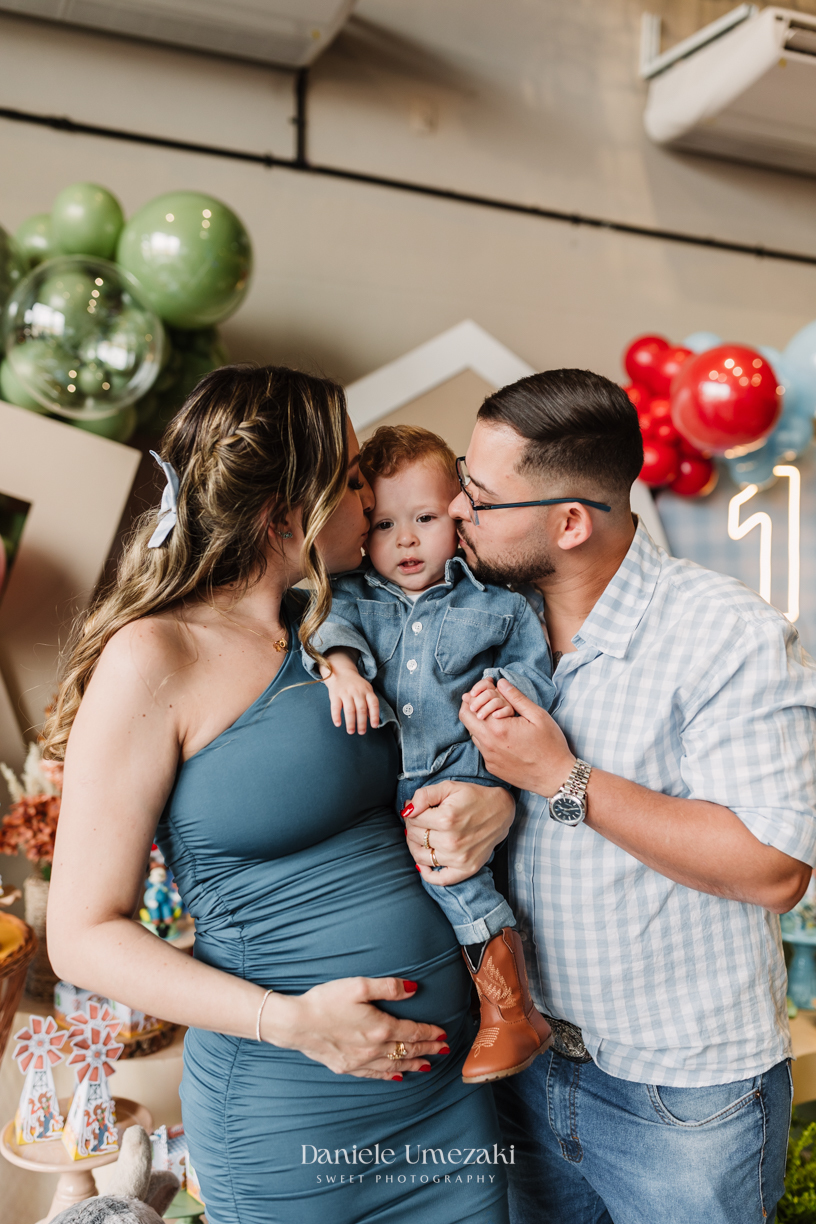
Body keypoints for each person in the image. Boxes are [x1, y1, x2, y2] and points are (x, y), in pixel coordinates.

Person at [45, 366, 514, 1224]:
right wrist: (291, 1022)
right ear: (283, 510)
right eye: (348, 476)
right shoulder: (158, 656)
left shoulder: (353, 623)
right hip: (292, 1108)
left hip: (444, 1100)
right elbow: (80, 937)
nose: (368, 493)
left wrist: (503, 804)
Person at [402, 367, 816, 1224]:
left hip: (682, 1099)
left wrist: (561, 779)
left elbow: (775, 866)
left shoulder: (723, 633)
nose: (457, 515)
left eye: (479, 497)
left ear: (570, 522)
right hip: (526, 1068)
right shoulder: (475, 613)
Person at [303, 424, 560, 1082]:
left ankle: (513, 1014)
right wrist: (341, 667)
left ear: (457, 515)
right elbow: (319, 620)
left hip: (459, 773)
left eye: (424, 519)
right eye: (384, 524)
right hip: (382, 785)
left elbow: (532, 668)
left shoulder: (499, 604)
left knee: (456, 876)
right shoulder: (355, 596)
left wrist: (505, 698)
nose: (406, 540)